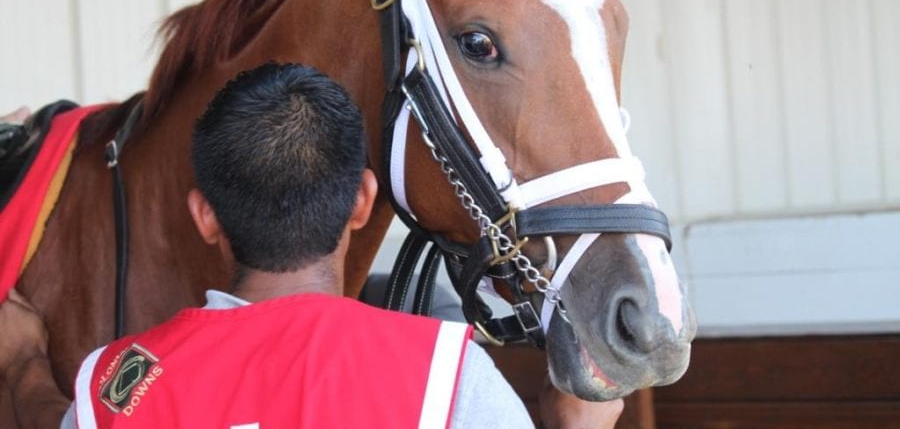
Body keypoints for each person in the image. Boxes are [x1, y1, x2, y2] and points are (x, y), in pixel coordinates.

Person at [0, 63, 622, 428]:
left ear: (204, 216)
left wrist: (22, 363)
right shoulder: (445, 377)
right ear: (362, 200)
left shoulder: (116, 386)